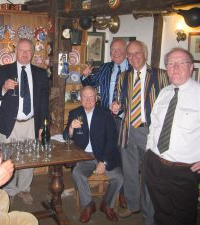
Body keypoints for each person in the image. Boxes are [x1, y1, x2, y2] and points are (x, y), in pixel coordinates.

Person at [111, 40, 169, 225]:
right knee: (129, 172)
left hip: (149, 131)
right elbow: (119, 103)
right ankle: (133, 204)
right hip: (128, 130)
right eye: (130, 54)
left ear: (144, 53)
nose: (134, 57)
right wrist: (116, 107)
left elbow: (168, 105)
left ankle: (149, 214)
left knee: (150, 174)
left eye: (137, 53)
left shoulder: (160, 75)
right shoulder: (123, 77)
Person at [0, 38, 49, 204]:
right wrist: (3, 87)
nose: (24, 54)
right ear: (15, 52)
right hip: (10, 122)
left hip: (31, 122)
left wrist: (43, 125)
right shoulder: (4, 70)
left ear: (32, 52)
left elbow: (44, 102)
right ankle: (9, 191)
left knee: (28, 158)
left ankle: (24, 189)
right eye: (21, 50)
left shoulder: (41, 73)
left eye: (28, 51)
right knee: (8, 158)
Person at [144, 48, 200, 225]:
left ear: (191, 67)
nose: (174, 68)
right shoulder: (164, 92)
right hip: (155, 165)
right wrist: (148, 152)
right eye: (170, 64)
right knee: (161, 214)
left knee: (183, 217)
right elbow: (154, 125)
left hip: (183, 171)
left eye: (180, 63)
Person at [63, 86, 123, 223]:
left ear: (96, 99)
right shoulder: (74, 113)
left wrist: (104, 162)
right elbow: (66, 136)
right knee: (77, 174)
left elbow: (112, 139)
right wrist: (71, 127)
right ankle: (88, 205)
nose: (88, 100)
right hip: (84, 156)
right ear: (80, 98)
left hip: (104, 155)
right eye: (85, 96)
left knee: (119, 178)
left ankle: (107, 205)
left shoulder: (105, 113)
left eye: (91, 97)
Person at [82, 38, 130, 208]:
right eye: (113, 50)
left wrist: (122, 107)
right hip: (105, 116)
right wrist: (86, 76)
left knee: (123, 155)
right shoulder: (105, 67)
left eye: (119, 49)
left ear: (126, 51)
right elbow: (91, 86)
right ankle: (105, 177)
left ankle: (122, 192)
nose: (115, 52)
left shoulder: (132, 70)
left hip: (125, 119)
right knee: (104, 147)